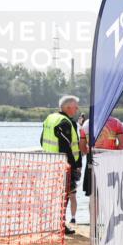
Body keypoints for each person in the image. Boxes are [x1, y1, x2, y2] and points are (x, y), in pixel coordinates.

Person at [41, 95, 82, 233]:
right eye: (75, 107)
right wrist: (74, 166)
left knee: (56, 195)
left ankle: (55, 224)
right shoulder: (65, 122)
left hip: (50, 163)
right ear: (67, 107)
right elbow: (67, 147)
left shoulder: (50, 118)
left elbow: (42, 140)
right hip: (64, 166)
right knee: (64, 196)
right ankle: (60, 225)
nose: (77, 109)